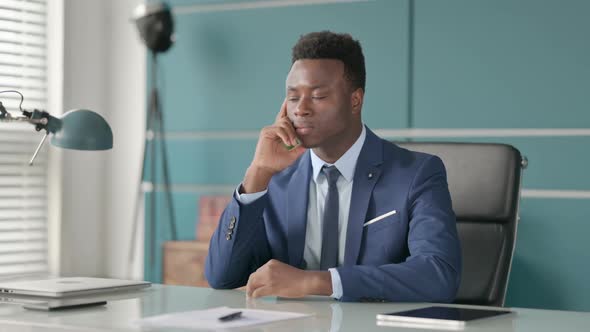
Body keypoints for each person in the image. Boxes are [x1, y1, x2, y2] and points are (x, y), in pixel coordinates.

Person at [205, 31, 461, 302]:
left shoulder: (417, 174)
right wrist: (257, 174)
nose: (301, 109)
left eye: (317, 96)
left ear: (355, 100)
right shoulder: (276, 179)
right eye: (293, 97)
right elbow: (222, 276)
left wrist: (318, 282)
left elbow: (439, 275)